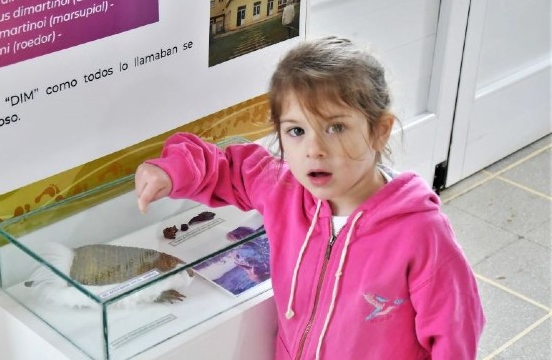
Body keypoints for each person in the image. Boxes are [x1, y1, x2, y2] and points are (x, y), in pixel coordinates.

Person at [135, 36, 485, 359]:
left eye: (336, 127)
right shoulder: (282, 188)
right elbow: (225, 167)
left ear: (379, 132)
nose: (314, 150)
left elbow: (456, 331)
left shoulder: (421, 232)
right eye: (296, 131)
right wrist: (171, 171)